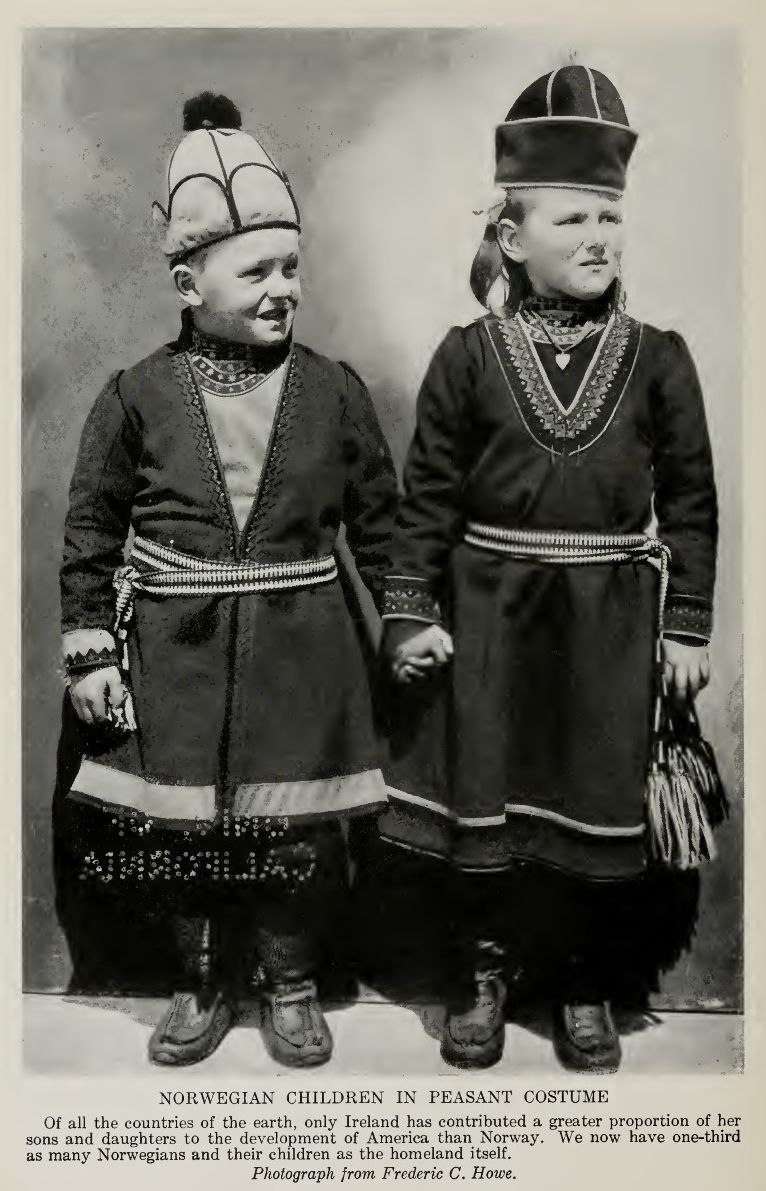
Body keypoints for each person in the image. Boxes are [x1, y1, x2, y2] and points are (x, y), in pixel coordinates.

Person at [379, 65, 718, 1072]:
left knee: (591, 801)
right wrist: (410, 614)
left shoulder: (659, 359)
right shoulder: (467, 356)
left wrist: (686, 626)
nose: (598, 237)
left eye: (610, 217)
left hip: (608, 624)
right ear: (512, 237)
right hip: (490, 617)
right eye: (572, 218)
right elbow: (425, 502)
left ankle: (583, 980)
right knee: (486, 804)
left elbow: (690, 505)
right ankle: (483, 975)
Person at [58, 92, 397, 1068]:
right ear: (187, 281)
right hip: (179, 654)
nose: (283, 288)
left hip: (304, 653)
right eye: (256, 271)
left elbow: (381, 523)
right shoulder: (134, 397)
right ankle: (201, 979)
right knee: (185, 834)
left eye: (292, 267)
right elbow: (91, 529)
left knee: (294, 833)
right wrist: (91, 649)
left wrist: (410, 622)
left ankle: (290, 981)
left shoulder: (334, 391)